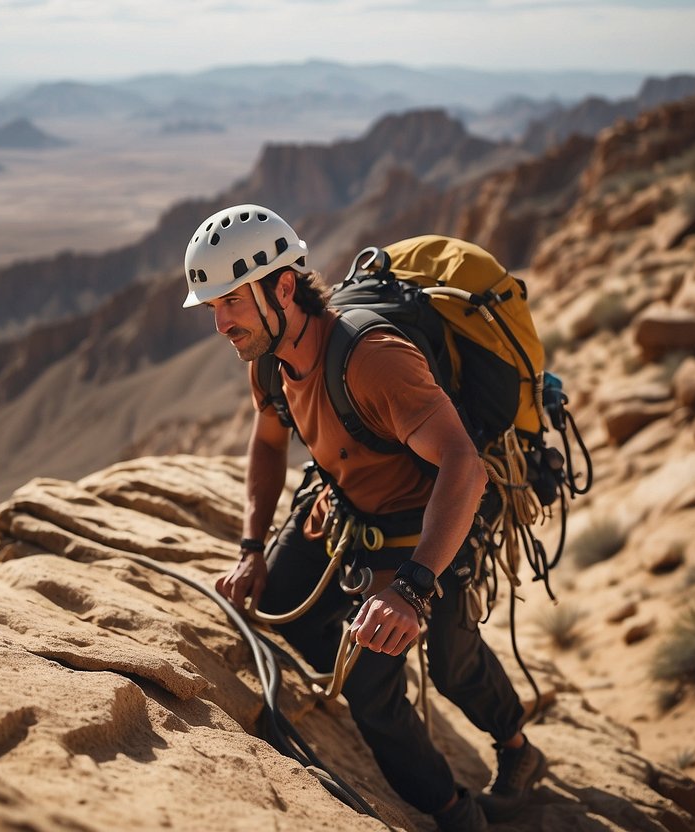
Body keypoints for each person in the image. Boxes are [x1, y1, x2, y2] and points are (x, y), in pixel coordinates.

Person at [182, 204, 548, 831]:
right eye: (213, 307)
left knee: (432, 670)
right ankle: (373, 675)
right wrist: (250, 548)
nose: (220, 323)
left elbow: (464, 467)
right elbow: (269, 444)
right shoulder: (268, 360)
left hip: (426, 526)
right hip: (346, 509)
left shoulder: (374, 358)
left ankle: (493, 775)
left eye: (232, 302)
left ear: (284, 287)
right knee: (286, 598)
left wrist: (409, 589)